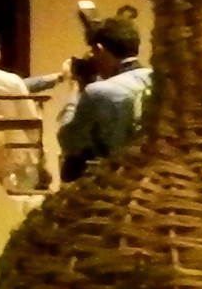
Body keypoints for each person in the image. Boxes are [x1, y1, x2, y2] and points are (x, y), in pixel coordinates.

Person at [57, 18, 151, 178]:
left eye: (93, 52)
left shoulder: (98, 92)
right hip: (152, 174)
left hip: (114, 179)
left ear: (99, 49)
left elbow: (69, 142)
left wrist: (76, 88)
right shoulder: (158, 79)